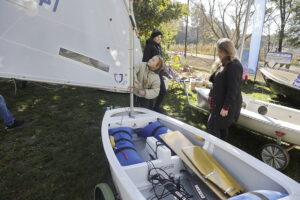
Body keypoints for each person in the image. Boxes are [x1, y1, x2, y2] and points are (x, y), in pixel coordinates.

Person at [207, 38, 243, 140]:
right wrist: (211, 94)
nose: (217, 53)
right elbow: (216, 82)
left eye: (219, 51)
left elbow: (233, 90)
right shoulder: (223, 62)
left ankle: (216, 150)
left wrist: (226, 107)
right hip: (218, 102)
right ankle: (221, 149)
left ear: (226, 51)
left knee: (213, 127)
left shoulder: (234, 66)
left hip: (226, 105)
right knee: (220, 129)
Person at [142, 29, 166, 113]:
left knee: (162, 90)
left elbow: (160, 59)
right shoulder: (150, 46)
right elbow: (145, 60)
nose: (159, 38)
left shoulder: (158, 46)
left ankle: (155, 107)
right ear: (153, 37)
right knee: (160, 90)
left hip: (158, 72)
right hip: (152, 72)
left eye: (160, 37)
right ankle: (150, 109)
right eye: (157, 36)